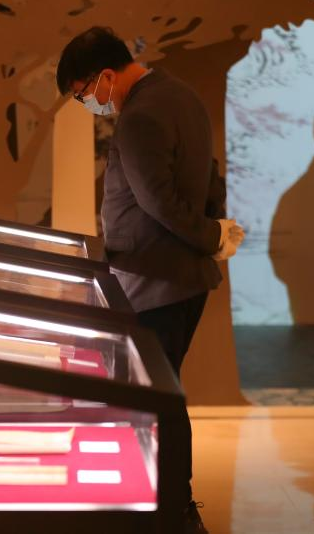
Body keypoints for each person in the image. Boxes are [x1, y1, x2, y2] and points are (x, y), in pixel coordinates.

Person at [56, 27, 244, 534]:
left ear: (105, 76)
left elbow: (157, 201)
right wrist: (213, 230)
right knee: (163, 390)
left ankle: (175, 508)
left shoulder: (139, 116)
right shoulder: (182, 95)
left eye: (82, 93)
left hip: (152, 278)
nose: (88, 103)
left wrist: (209, 234)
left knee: (159, 397)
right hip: (181, 278)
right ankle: (167, 503)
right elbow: (210, 176)